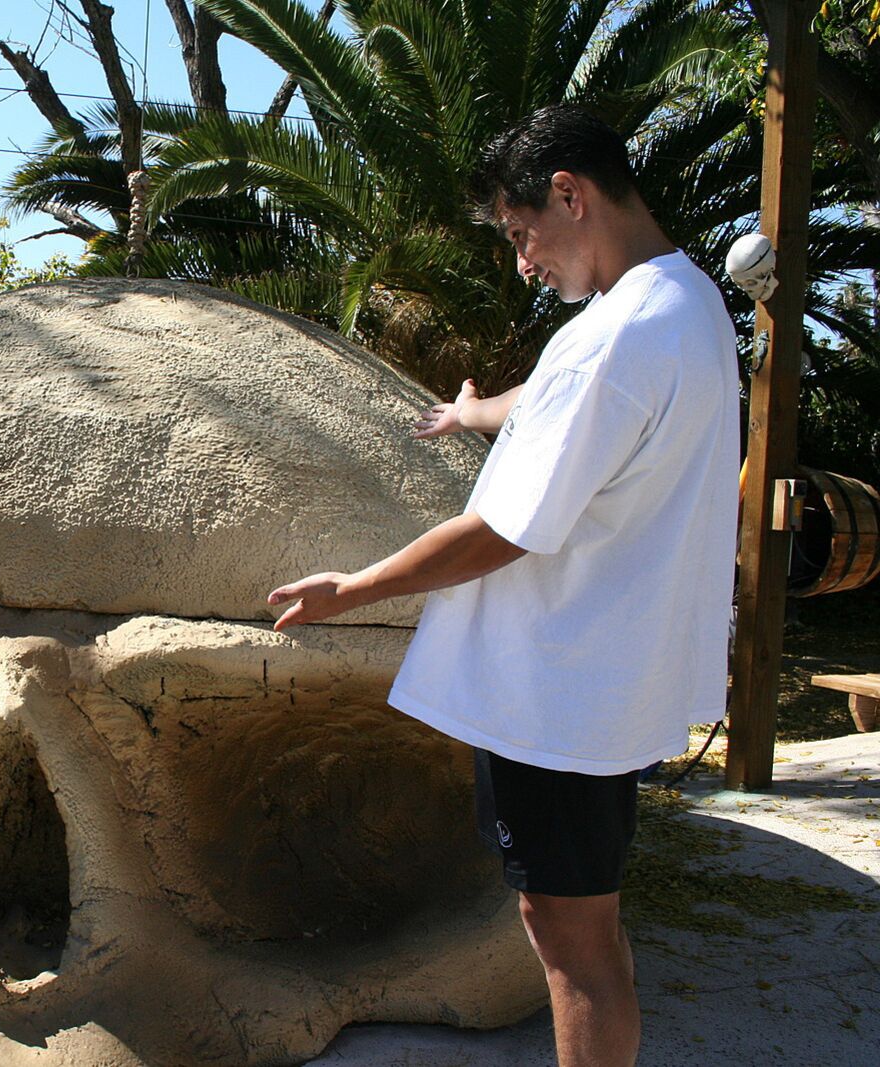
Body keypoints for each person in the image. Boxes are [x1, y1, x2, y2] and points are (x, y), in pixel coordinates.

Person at [268, 105, 738, 1067]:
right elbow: (574, 403)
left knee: (573, 947)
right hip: (601, 683)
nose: (523, 263)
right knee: (583, 928)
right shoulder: (679, 304)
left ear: (571, 194)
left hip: (558, 694)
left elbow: (502, 532)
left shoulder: (619, 337)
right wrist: (484, 410)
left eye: (523, 234)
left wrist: (351, 590)